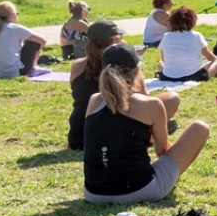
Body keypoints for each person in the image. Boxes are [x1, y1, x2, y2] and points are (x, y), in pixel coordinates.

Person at [83, 42, 212, 204]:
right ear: (137, 70)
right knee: (200, 128)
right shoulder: (151, 105)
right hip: (141, 190)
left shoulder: (94, 101)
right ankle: (170, 180)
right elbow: (162, 151)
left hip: (94, 193)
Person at [70, 20, 180, 151]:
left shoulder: (77, 65)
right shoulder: (124, 67)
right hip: (117, 135)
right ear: (114, 39)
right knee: (171, 98)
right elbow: (144, 97)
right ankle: (151, 133)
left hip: (80, 135)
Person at [0, 1, 47, 80]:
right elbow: (42, 40)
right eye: (17, 13)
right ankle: (33, 69)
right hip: (11, 73)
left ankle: (32, 68)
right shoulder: (15, 28)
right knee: (34, 42)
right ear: (11, 16)